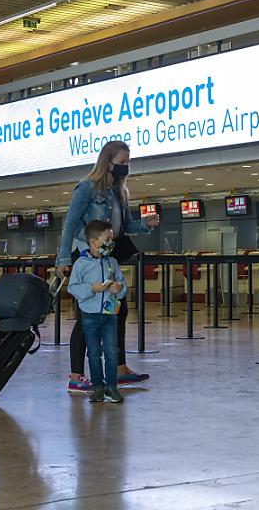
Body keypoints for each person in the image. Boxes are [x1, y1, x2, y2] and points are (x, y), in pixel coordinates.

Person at [56, 140, 159, 393]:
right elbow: (70, 224)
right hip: (87, 257)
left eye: (128, 162)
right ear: (108, 162)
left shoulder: (120, 193)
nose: (126, 166)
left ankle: (119, 370)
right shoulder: (86, 188)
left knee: (117, 310)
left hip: (109, 259)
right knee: (87, 315)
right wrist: (63, 259)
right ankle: (76, 377)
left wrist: (144, 224)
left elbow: (124, 227)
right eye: (122, 162)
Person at [67, 220, 127, 403]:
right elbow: (72, 287)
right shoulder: (81, 264)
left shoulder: (112, 262)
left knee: (111, 351)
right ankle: (97, 387)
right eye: (107, 239)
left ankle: (112, 387)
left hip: (110, 315)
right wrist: (92, 289)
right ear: (93, 242)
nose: (111, 243)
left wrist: (119, 288)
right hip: (89, 315)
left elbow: (122, 284)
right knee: (93, 352)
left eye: (111, 239)